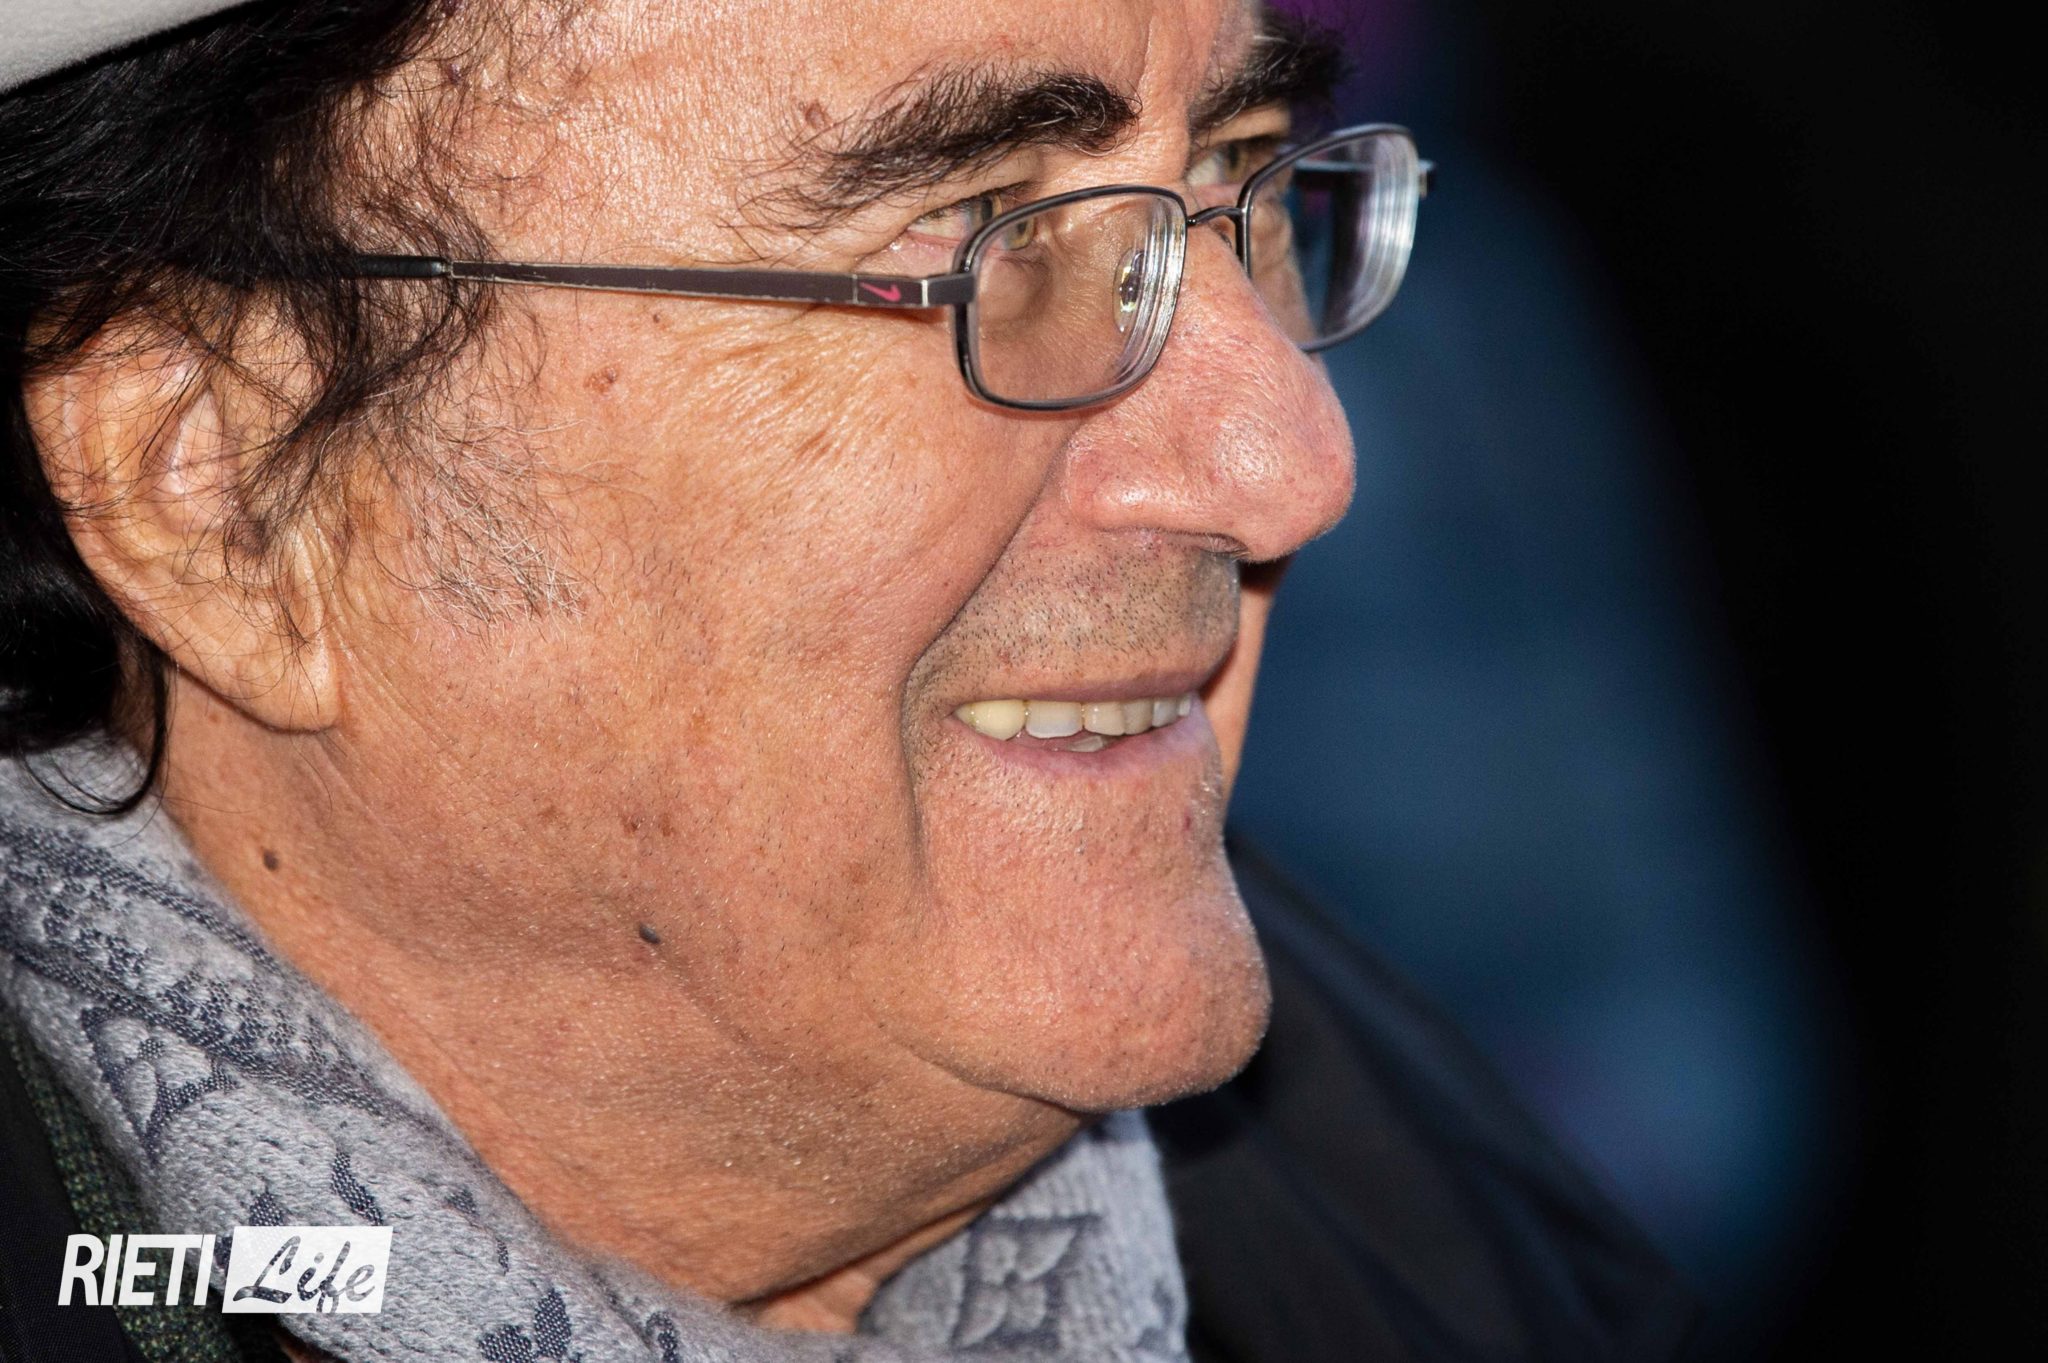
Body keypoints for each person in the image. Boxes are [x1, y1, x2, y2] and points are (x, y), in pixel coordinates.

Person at [0, 1, 1696, 1359]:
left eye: (1242, 172)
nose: (1288, 464)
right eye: (983, 233)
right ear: (220, 493)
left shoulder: (1410, 1195)